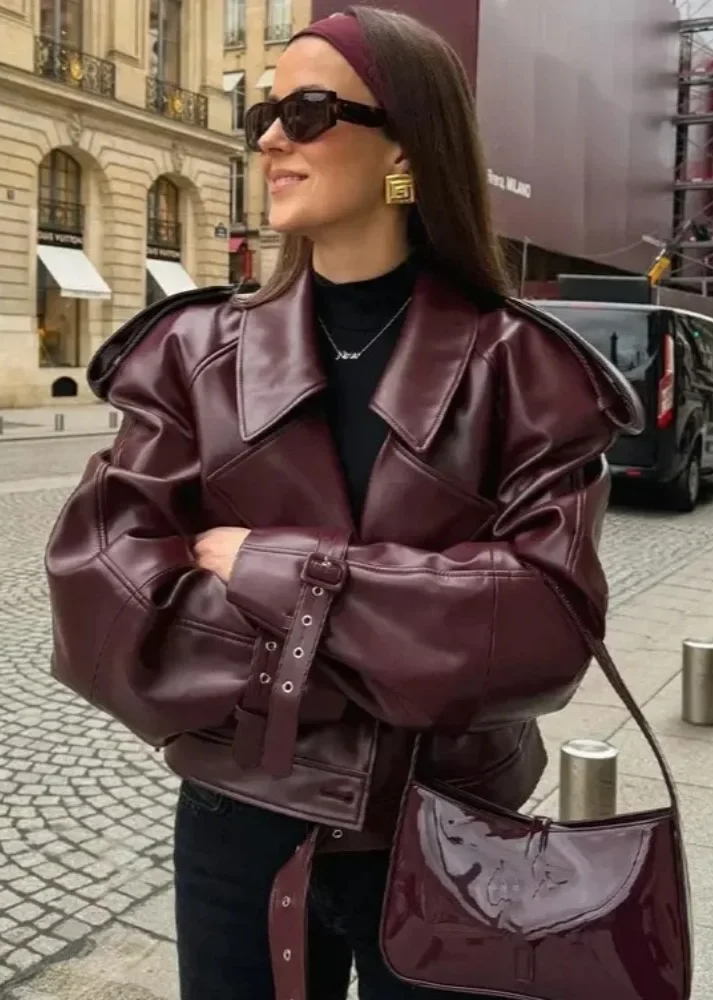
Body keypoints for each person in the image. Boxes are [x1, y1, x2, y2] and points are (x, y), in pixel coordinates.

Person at [45, 6, 642, 999]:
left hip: (452, 829)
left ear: (405, 144)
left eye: (310, 111)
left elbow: (543, 625)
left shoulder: (526, 370)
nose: (270, 139)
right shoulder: (192, 354)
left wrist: (267, 569)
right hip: (238, 826)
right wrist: (407, 641)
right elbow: (99, 592)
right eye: (265, 113)